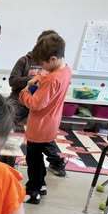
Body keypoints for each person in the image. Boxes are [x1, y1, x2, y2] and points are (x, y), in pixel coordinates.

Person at [19, 33, 72, 204]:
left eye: (43, 63)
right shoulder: (65, 70)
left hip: (40, 125)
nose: (41, 67)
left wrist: (24, 92)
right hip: (51, 122)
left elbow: (35, 103)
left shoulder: (51, 79)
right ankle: (41, 185)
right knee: (38, 157)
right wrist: (37, 78)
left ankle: (33, 191)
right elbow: (44, 75)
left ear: (53, 58)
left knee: (33, 160)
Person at [8, 30, 58, 126]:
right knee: (6, 118)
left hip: (40, 104)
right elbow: (13, 81)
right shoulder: (24, 60)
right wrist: (34, 79)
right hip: (19, 101)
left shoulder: (55, 66)